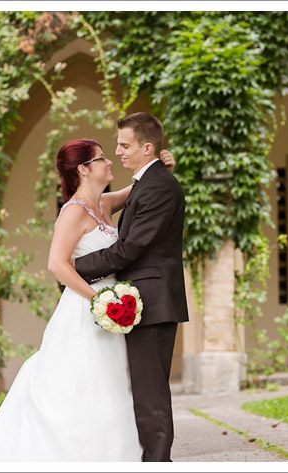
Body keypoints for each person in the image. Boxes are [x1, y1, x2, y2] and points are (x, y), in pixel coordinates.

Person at [0, 138, 176, 461]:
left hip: (114, 307)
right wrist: (98, 300)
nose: (110, 162)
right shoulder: (73, 212)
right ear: (83, 169)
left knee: (114, 385)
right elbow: (57, 264)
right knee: (82, 384)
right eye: (102, 158)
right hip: (87, 307)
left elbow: (140, 188)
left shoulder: (104, 204)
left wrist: (160, 165)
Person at [73, 112, 189, 462]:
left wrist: (75, 268)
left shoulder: (159, 187)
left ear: (147, 147)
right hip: (144, 300)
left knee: (150, 393)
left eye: (125, 145)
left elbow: (132, 247)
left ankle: (157, 462)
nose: (118, 152)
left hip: (153, 301)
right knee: (142, 390)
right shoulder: (148, 182)